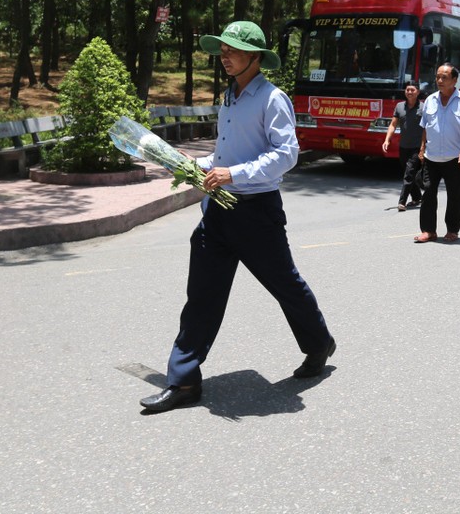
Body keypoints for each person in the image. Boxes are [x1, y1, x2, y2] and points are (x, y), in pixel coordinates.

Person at [140, 21, 335, 414]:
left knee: (286, 285)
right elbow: (226, 155)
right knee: (202, 297)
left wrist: (235, 174)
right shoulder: (229, 96)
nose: (224, 56)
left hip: (256, 213)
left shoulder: (271, 98)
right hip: (218, 211)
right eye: (222, 50)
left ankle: (318, 344)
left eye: (231, 50)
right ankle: (183, 381)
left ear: (255, 57)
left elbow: (286, 154)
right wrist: (197, 166)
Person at [415, 64, 460, 243]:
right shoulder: (430, 100)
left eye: (444, 77)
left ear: (454, 80)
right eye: (438, 77)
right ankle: (428, 230)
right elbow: (425, 127)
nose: (440, 81)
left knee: (454, 194)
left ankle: (452, 230)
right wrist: (422, 148)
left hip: (454, 157)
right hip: (431, 156)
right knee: (428, 193)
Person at [382, 82, 424, 211]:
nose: (410, 92)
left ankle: (402, 202)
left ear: (418, 92)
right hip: (404, 146)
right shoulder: (399, 106)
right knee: (408, 173)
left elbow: (427, 129)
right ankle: (417, 197)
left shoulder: (424, 108)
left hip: (416, 147)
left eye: (412, 90)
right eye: (407, 90)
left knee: (409, 173)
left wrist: (423, 147)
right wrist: (387, 140)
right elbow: (393, 125)